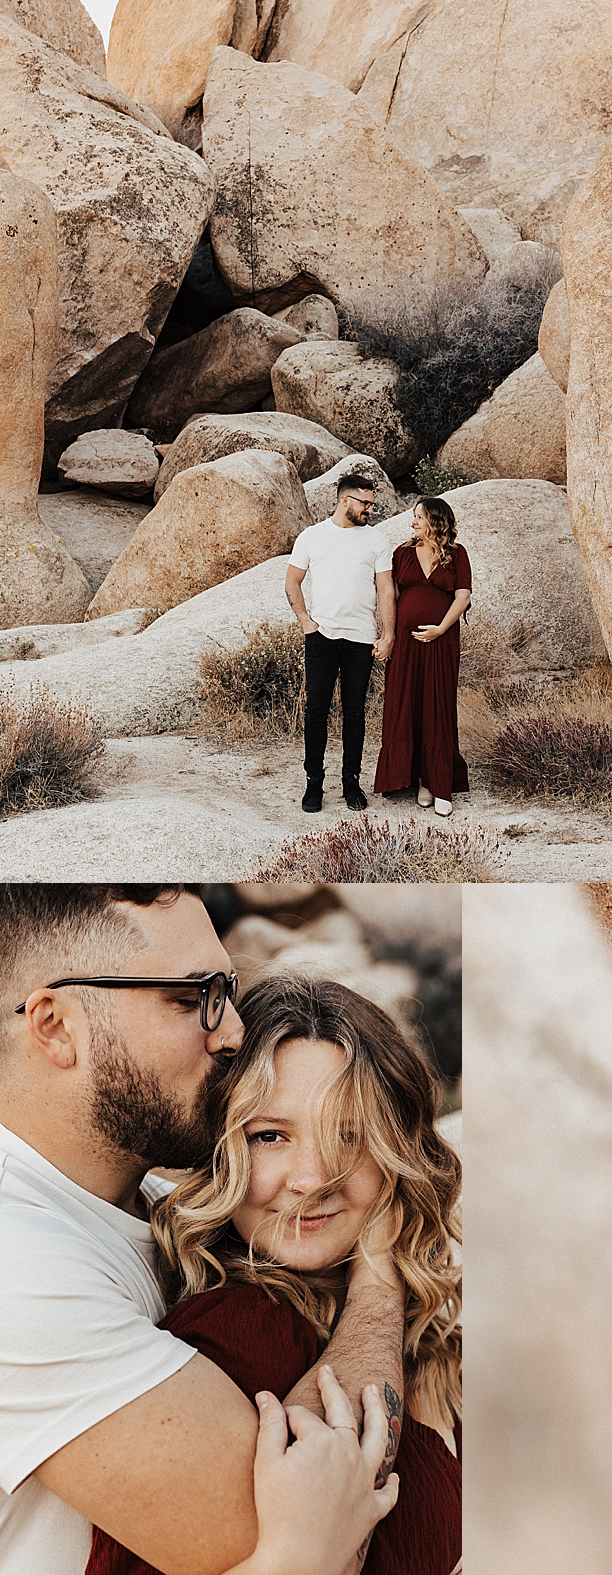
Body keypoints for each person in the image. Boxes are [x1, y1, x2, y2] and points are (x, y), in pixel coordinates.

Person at [0, 884, 404, 1575]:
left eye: (229, 991)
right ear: (55, 1024)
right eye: (191, 1000)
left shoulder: (156, 1199)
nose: (234, 1031)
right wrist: (381, 1279)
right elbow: (300, 1536)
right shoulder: (22, 1271)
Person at [87, 972, 461, 1575]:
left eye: (351, 1133)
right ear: (220, 1152)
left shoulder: (436, 1335)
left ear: (400, 1151)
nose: (313, 1178)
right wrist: (378, 1278)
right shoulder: (234, 1335)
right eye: (269, 1136)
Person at [285, 475, 396, 815]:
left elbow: (386, 590)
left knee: (355, 712)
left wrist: (387, 634)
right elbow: (292, 580)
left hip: (361, 637)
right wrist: (306, 621)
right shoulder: (312, 537)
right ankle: (313, 784)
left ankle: (351, 782)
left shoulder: (377, 540)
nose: (370, 509)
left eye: (372, 504)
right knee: (316, 710)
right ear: (345, 501)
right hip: (322, 637)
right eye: (365, 503)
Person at [374, 498, 472, 819]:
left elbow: (463, 596)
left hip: (441, 641)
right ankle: (415, 779)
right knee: (408, 702)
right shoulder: (402, 553)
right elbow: (391, 596)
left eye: (418, 516)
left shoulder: (457, 554)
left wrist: (441, 628)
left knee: (438, 704)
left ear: (435, 520)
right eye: (413, 516)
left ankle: (437, 784)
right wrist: (389, 635)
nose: (412, 521)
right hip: (407, 643)